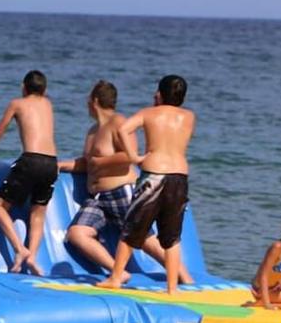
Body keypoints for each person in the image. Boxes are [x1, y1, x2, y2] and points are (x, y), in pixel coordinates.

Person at [60, 80, 192, 284]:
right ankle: (118, 272)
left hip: (121, 191)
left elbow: (129, 156)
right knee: (77, 234)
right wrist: (62, 165)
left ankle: (184, 276)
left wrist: (100, 161)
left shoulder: (118, 123)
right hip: (97, 198)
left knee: (145, 238)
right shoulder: (93, 131)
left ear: (94, 100)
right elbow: (89, 164)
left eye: (88, 99)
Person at [97, 75, 196, 295]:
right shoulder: (189, 117)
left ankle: (115, 277)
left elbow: (123, 129)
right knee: (171, 236)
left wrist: (134, 157)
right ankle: (172, 288)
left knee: (132, 228)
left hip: (154, 175)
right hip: (179, 177)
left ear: (159, 94)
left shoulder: (148, 113)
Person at [0, 70, 58, 276]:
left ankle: (20, 250)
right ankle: (33, 257)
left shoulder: (17, 103)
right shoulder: (48, 104)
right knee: (38, 212)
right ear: (44, 90)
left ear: (23, 87)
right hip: (52, 163)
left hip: (31, 161)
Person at [243, 217, 281, 309]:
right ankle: (261, 302)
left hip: (278, 284)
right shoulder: (278, 248)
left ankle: (263, 302)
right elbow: (264, 276)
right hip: (261, 289)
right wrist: (267, 304)